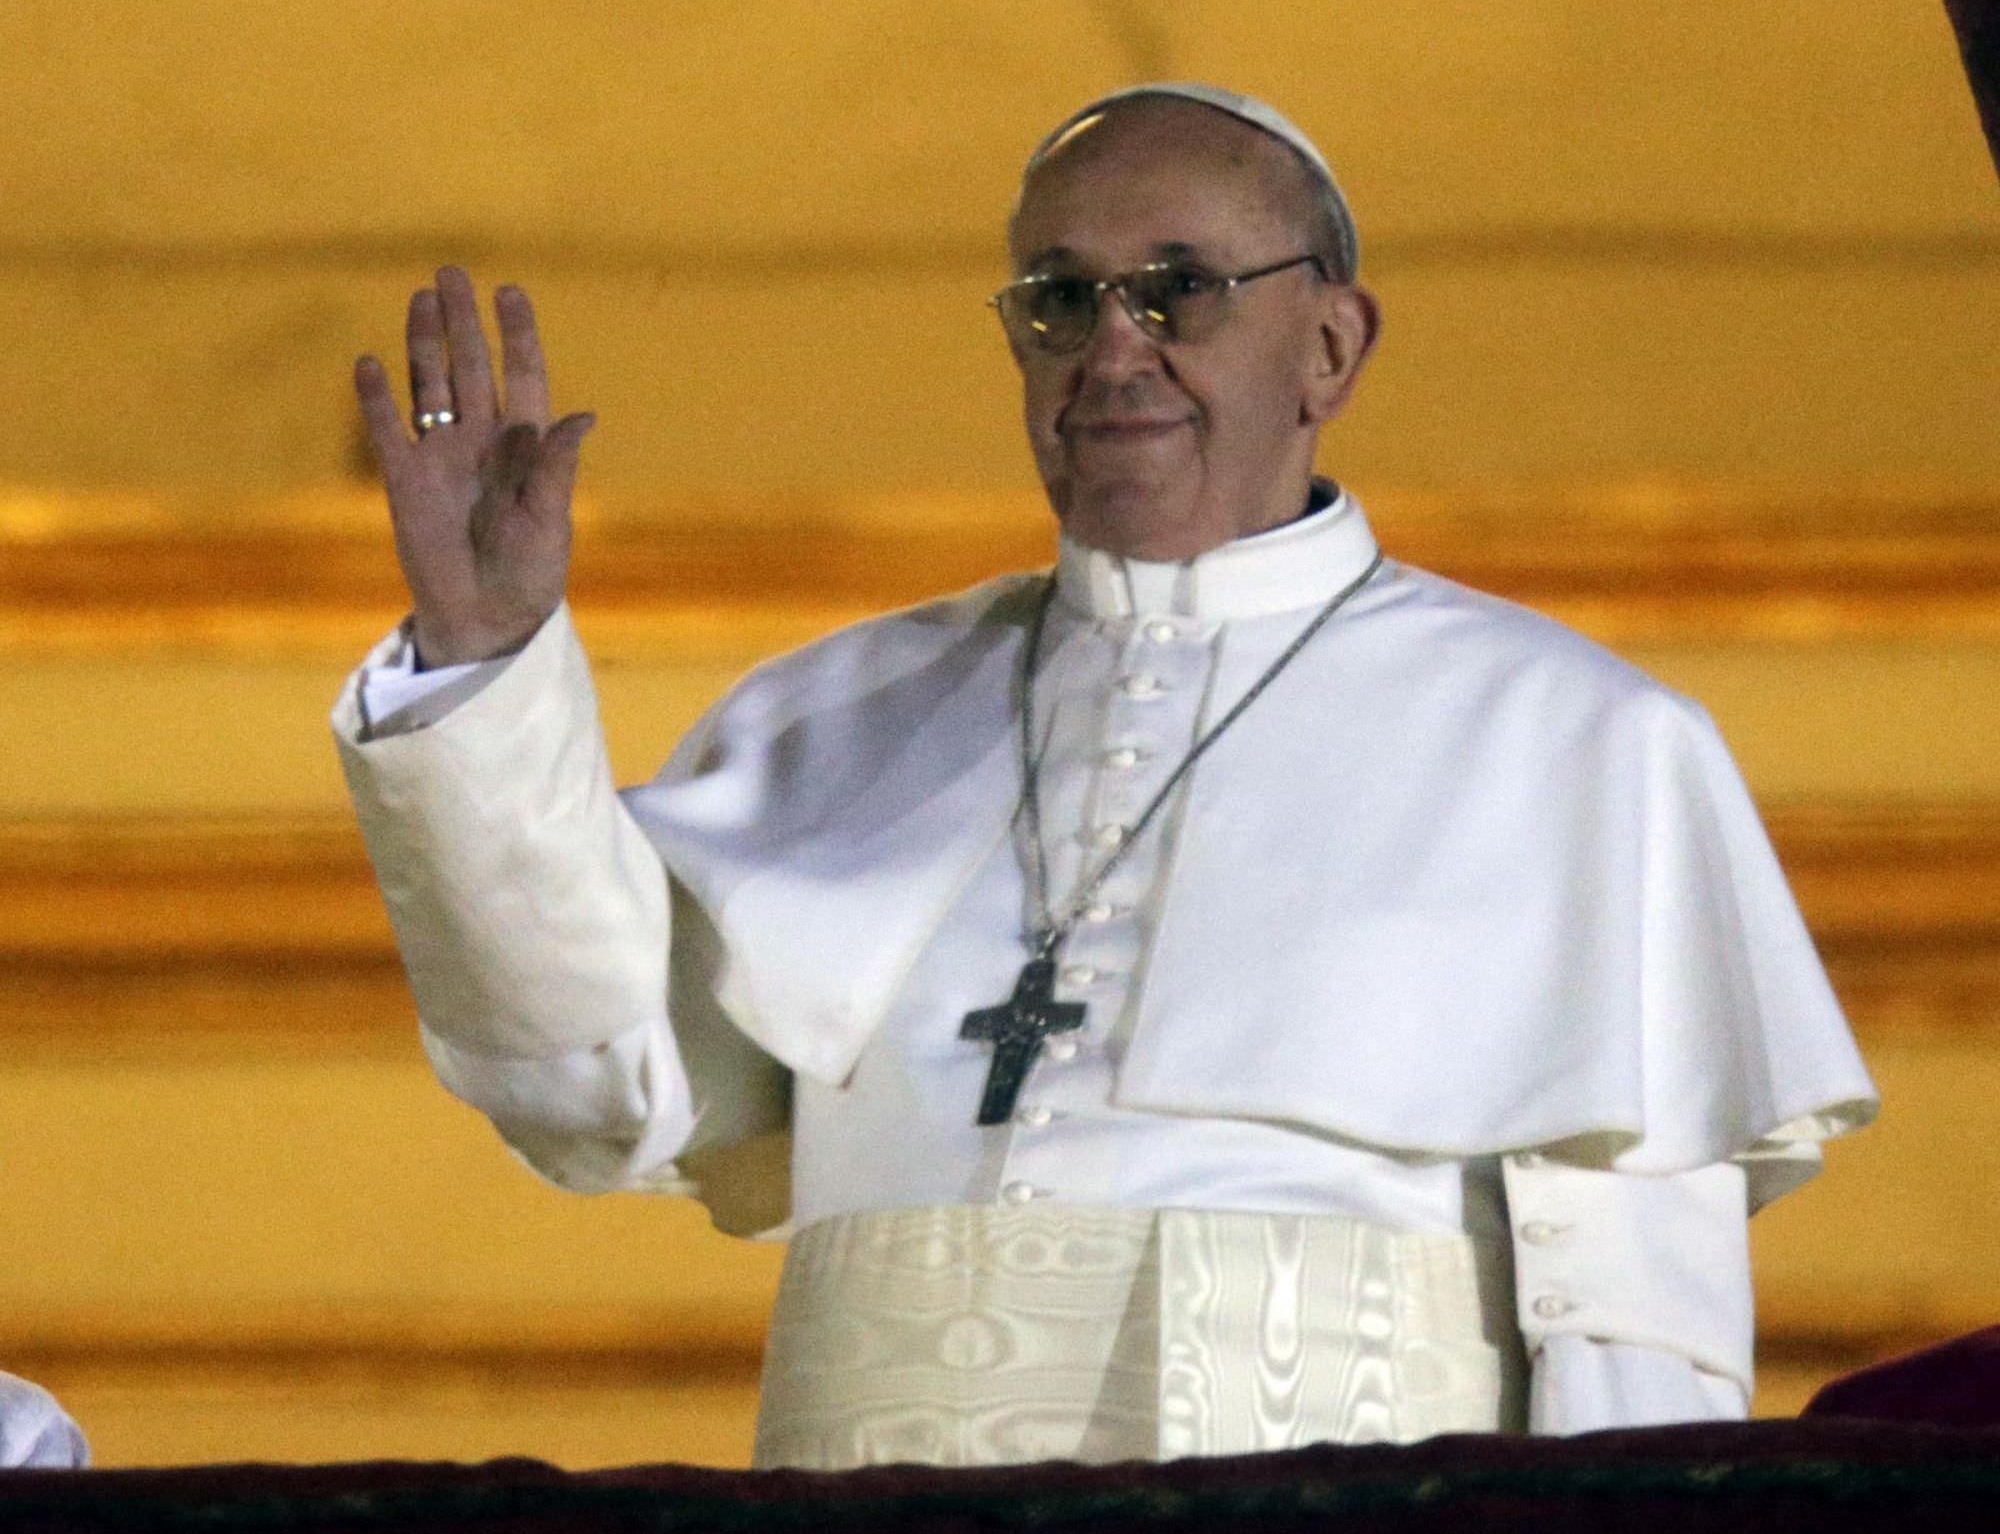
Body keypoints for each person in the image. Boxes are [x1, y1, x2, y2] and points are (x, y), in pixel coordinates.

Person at [333, 84, 1877, 1469]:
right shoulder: (838, 716)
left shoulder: (1579, 745)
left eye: (1177, 291)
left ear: (1330, 344)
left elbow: (1632, 1329)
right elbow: (585, 1080)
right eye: (1058, 302)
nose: (1112, 348)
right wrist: (486, 657)